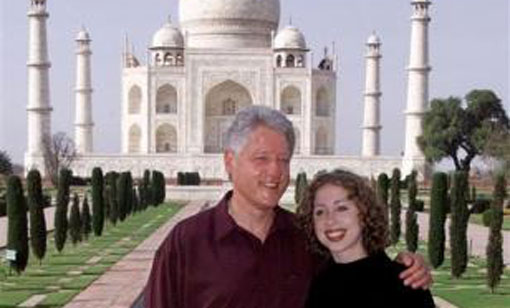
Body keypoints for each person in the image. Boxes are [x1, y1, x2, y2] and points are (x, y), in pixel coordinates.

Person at [144, 106, 432, 308]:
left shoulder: (304, 239)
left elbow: (358, 277)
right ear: (230, 161)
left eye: (283, 160)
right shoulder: (188, 243)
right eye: (262, 159)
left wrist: (405, 268)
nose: (275, 172)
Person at [297, 169, 435, 307]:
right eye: (320, 212)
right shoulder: (318, 282)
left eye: (341, 208)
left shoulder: (406, 282)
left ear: (364, 213)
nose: (330, 220)